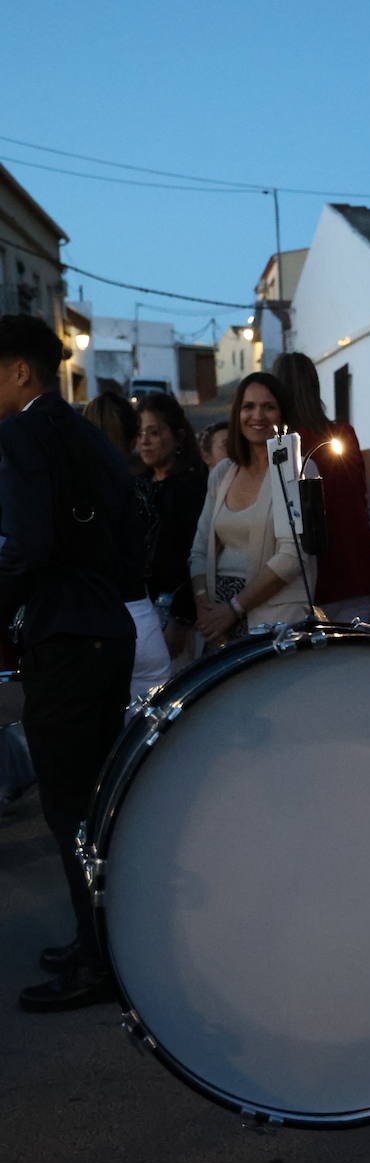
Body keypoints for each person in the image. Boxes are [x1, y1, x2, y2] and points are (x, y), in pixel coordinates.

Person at [0, 314, 143, 1011]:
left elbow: (27, 544)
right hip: (102, 628)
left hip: (66, 636)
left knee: (70, 810)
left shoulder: (25, 431)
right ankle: (97, 942)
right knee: (88, 803)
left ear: (21, 371)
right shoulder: (83, 430)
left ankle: (99, 960)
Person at [272, 352, 370, 623]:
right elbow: (358, 496)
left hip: (309, 578)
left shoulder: (279, 446)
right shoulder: (341, 434)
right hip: (355, 567)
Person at [189, 371, 316, 646]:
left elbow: (293, 556)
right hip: (216, 620)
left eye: (268, 407)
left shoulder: (297, 469)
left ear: (282, 416)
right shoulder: (223, 471)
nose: (257, 416)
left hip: (271, 619)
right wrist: (205, 608)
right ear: (237, 414)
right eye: (248, 407)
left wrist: (234, 609)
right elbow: (199, 550)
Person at [84, 392, 171, 706]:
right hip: (139, 613)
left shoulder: (74, 494)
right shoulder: (141, 490)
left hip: (92, 617)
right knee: (153, 735)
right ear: (133, 437)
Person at [135, 392, 207, 664]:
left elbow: (196, 553)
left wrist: (182, 617)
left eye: (153, 432)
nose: (145, 440)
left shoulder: (191, 487)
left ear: (177, 437)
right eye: (140, 432)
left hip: (178, 615)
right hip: (142, 610)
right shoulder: (138, 484)